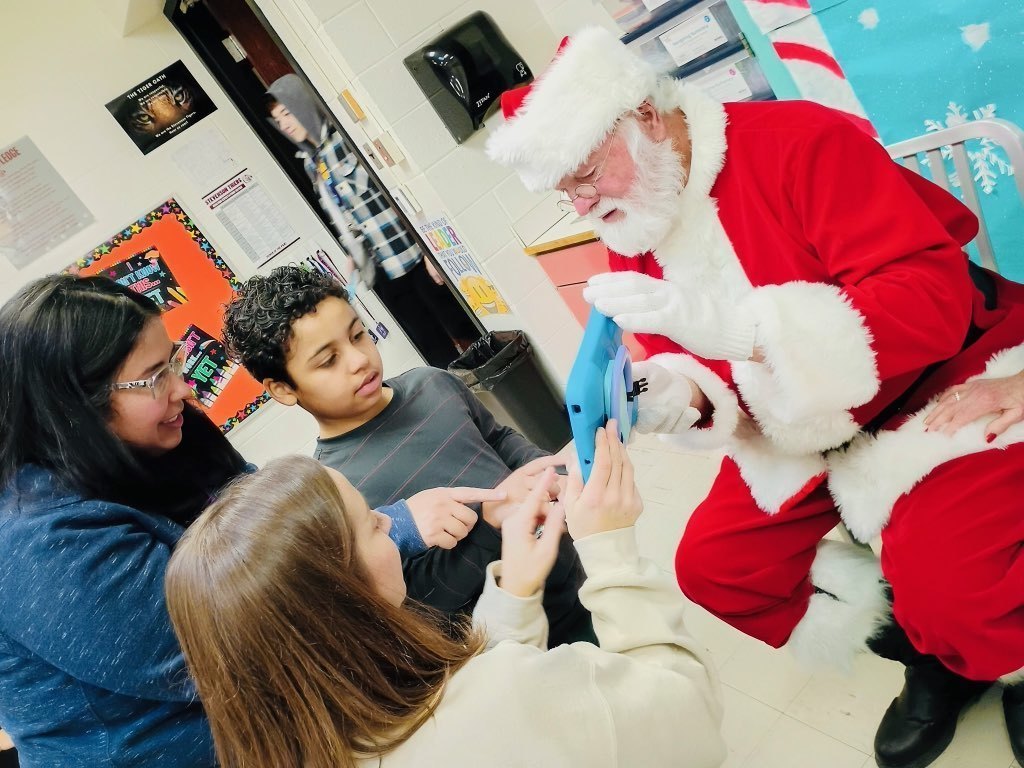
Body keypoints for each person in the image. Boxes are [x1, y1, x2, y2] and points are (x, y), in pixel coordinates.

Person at [485, 26, 1024, 768]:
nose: (580, 205)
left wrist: (748, 333)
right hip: (800, 425)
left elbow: (930, 303)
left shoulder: (800, 142)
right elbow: (694, 366)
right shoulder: (635, 218)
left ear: (644, 116)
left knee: (950, 580)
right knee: (719, 569)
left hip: (937, 378)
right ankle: (935, 658)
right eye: (563, 190)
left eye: (584, 174)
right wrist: (674, 395)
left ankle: (1005, 657)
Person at [164, 428, 726, 768]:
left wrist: (514, 589)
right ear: (341, 599)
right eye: (373, 525)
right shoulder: (502, 701)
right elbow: (687, 716)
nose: (392, 523)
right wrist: (613, 553)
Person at [222, 265, 595, 645]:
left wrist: (553, 476)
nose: (358, 360)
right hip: (514, 642)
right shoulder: (337, 491)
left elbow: (497, 439)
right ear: (283, 389)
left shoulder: (431, 383)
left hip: (577, 573)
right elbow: (418, 601)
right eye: (328, 360)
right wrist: (488, 527)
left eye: (357, 335)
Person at [0, 274, 250, 767]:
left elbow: (272, 513)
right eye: (155, 377)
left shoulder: (156, 444)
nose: (183, 388)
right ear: (73, 407)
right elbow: (235, 646)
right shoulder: (41, 542)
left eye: (174, 361)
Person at [266, 73, 479, 368]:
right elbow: (347, 213)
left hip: (413, 256)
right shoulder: (312, 164)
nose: (285, 125)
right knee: (431, 349)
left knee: (465, 327)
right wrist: (352, 254)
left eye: (287, 113)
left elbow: (398, 189)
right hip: (381, 272)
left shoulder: (346, 138)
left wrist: (430, 249)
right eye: (278, 120)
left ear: (304, 104)